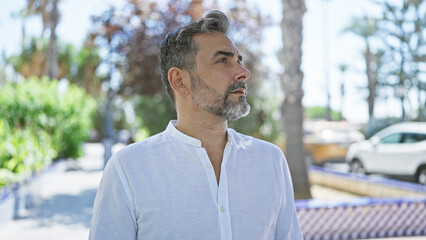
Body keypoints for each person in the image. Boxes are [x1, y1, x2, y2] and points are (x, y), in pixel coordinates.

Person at [89, 10, 303, 240]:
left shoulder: (270, 161)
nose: (243, 72)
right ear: (180, 81)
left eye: (239, 61)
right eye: (223, 60)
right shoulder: (128, 169)